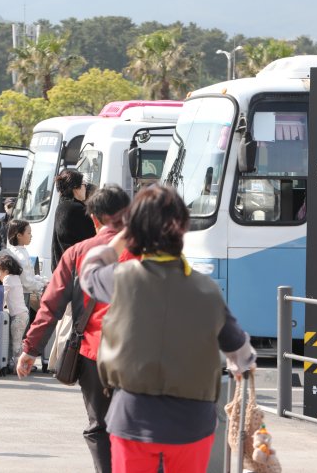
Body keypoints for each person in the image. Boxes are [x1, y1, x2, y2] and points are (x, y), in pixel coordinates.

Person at [79, 185, 256, 473]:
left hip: (132, 418)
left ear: (135, 230)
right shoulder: (206, 289)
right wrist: (240, 364)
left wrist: (123, 237)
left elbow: (89, 269)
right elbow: (240, 351)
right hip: (192, 423)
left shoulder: (121, 279)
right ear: (182, 229)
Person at [17, 184, 131, 473]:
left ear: (93, 218)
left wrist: (31, 349)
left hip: (96, 353)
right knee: (142, 429)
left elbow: (51, 305)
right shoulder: (150, 251)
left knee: (100, 427)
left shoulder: (79, 253)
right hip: (143, 353)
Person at [51, 169, 95, 271]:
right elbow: (92, 239)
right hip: (76, 271)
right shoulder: (77, 209)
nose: (86, 188)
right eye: (84, 184)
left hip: (62, 270)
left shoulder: (62, 206)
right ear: (76, 188)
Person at [0, 254, 27, 371]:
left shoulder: (8, 279)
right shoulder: (16, 278)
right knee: (16, 341)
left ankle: (18, 367)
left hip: (18, 316)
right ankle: (15, 365)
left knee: (16, 344)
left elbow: (4, 295)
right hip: (23, 315)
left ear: (6, 271)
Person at [6, 219, 48, 295]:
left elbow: (30, 276)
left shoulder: (19, 251)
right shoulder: (20, 255)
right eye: (29, 233)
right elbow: (27, 281)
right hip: (21, 295)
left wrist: (43, 281)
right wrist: (42, 285)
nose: (31, 236)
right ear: (19, 235)